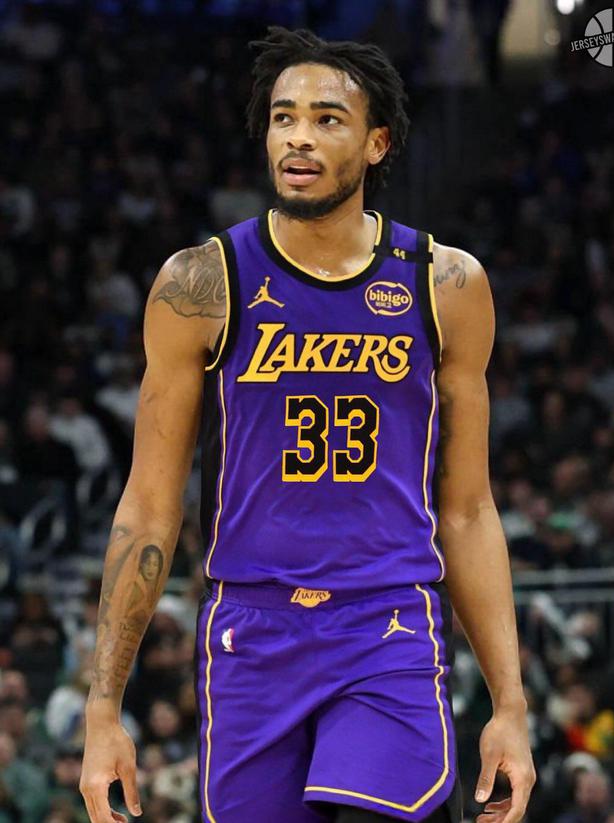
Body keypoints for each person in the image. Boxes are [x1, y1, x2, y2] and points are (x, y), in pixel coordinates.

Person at [80, 26, 535, 823]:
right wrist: (102, 707)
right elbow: (149, 508)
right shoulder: (200, 284)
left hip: (386, 623)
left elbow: (467, 509)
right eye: (283, 117)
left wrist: (511, 703)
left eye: (327, 118)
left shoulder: (447, 283)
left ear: (377, 143)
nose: (298, 135)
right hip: (250, 631)